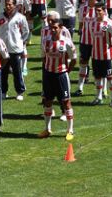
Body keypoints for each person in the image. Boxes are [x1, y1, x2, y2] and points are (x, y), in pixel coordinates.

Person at [39, 12, 77, 141]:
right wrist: (47, 69)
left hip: (61, 75)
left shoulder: (66, 42)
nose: (53, 30)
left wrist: (67, 71)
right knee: (47, 101)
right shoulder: (46, 41)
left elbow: (73, 59)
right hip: (49, 75)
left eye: (56, 28)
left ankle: (70, 130)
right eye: (51, 28)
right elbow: (44, 58)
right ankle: (47, 129)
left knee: (66, 102)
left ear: (61, 28)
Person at [0, 0, 30, 101]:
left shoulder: (20, 17)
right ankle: (3, 91)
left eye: (10, 4)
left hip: (16, 49)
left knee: (17, 72)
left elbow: (26, 32)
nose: (8, 6)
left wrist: (21, 42)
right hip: (3, 50)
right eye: (6, 4)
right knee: (3, 72)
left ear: (15, 5)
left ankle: (19, 91)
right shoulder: (0, 17)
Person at [89, 4, 112, 107]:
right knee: (97, 77)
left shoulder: (109, 23)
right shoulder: (92, 23)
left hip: (106, 56)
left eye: (99, 11)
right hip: (95, 55)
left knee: (110, 77)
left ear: (104, 11)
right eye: (96, 10)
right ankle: (98, 97)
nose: (97, 12)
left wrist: (111, 49)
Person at [73, 0, 100, 96]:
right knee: (83, 63)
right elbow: (80, 23)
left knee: (97, 66)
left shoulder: (100, 8)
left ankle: (101, 91)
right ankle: (80, 88)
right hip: (85, 41)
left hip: (97, 42)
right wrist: (81, 31)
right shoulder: (82, 8)